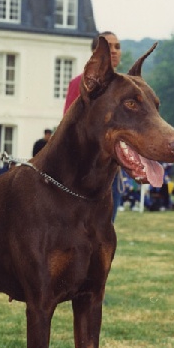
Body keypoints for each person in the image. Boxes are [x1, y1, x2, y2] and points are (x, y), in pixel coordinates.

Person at [63, 31, 122, 222]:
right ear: (95, 53)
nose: (113, 51)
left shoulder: (124, 87)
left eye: (117, 47)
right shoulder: (80, 83)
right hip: (85, 172)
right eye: (108, 46)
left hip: (112, 171)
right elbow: (69, 127)